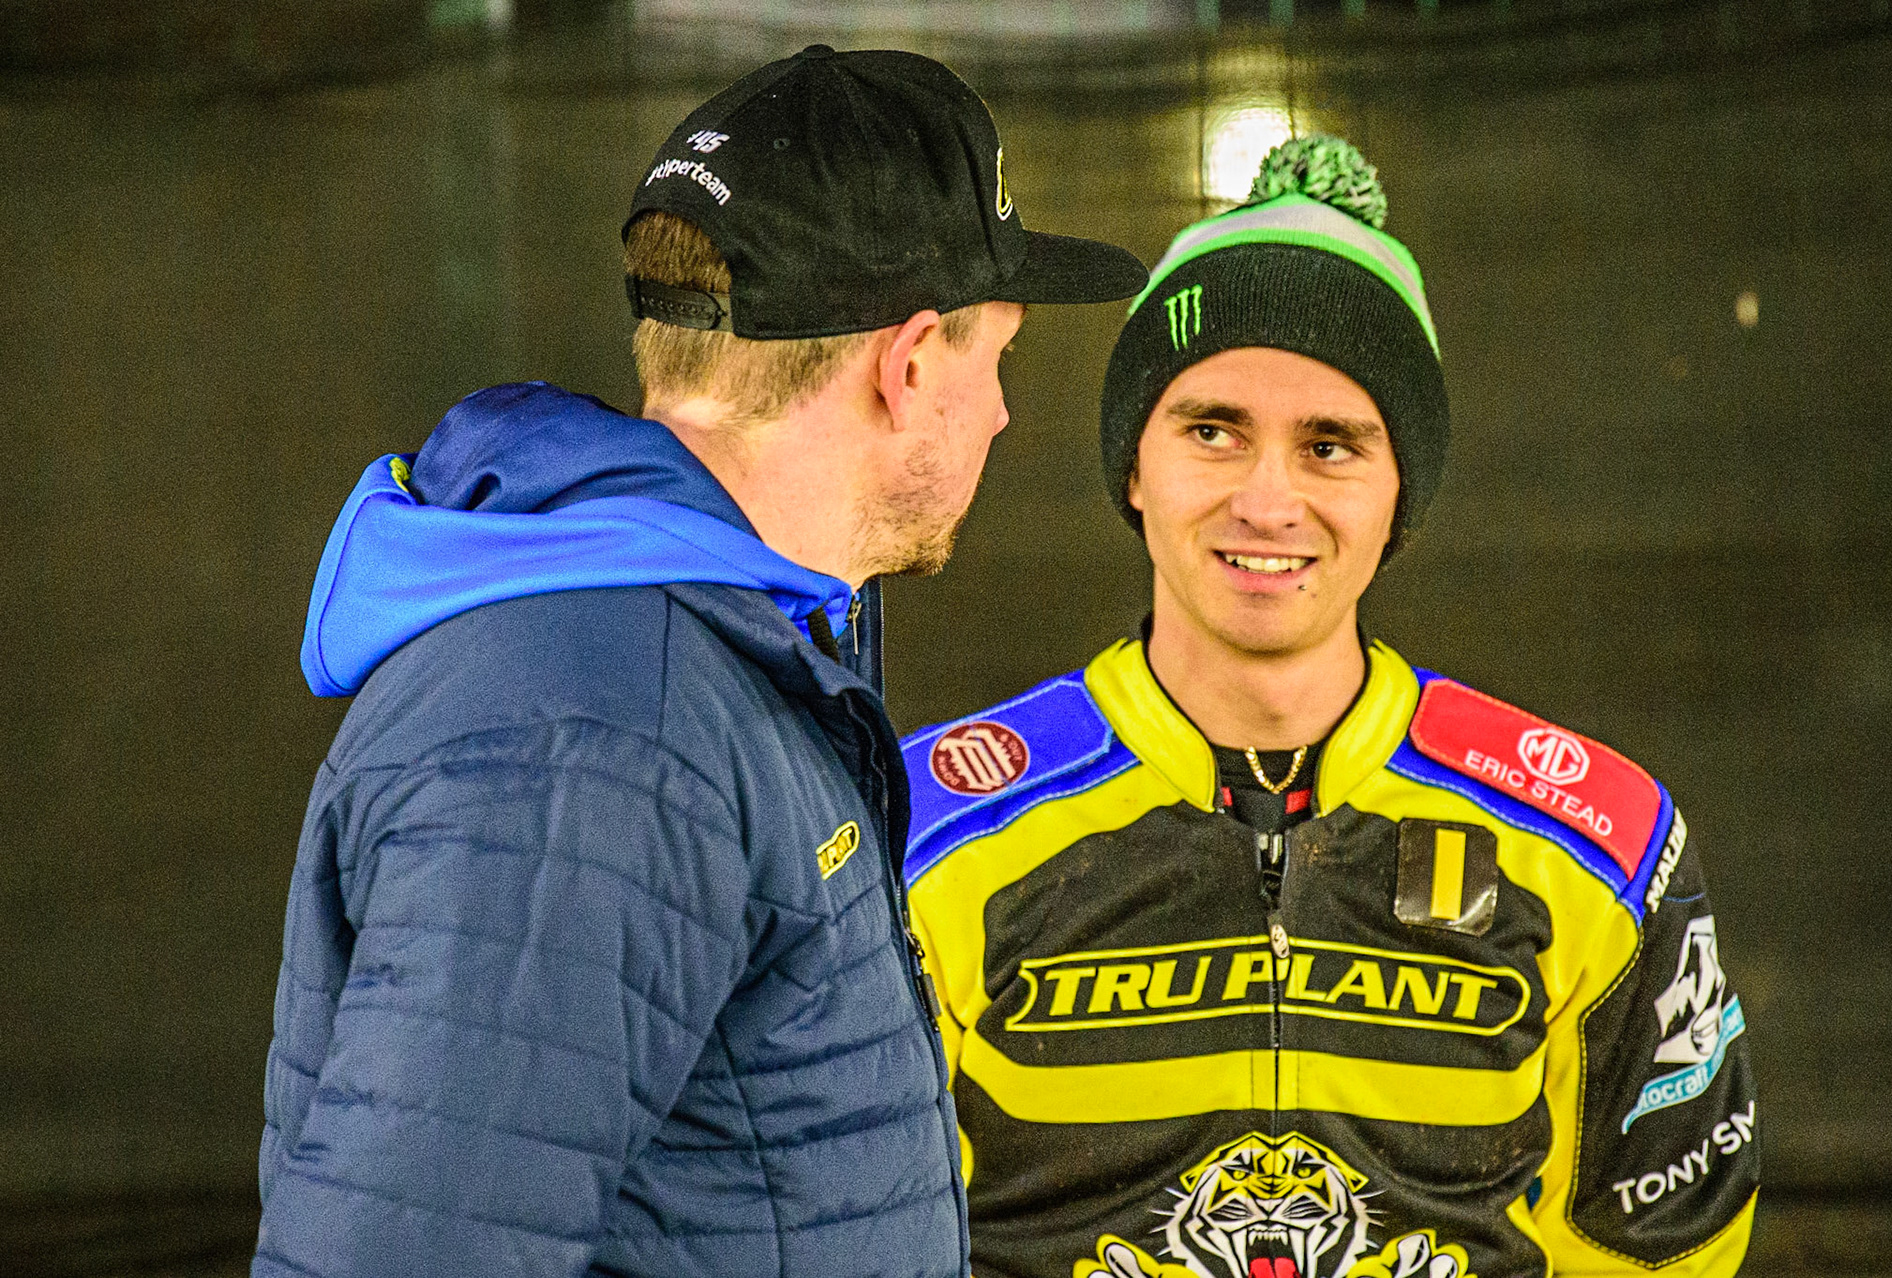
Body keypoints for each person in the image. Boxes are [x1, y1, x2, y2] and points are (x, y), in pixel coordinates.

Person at [252, 45, 1145, 1278]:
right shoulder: (603, 735)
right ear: (911, 361)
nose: (999, 412)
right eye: (1000, 357)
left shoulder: (719, 651)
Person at [902, 136, 1756, 1278]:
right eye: (1212, 430)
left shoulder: (1598, 840)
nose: (1268, 500)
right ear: (1132, 468)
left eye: (1331, 446)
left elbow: (1669, 1247)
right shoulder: (922, 830)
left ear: (1402, 489)